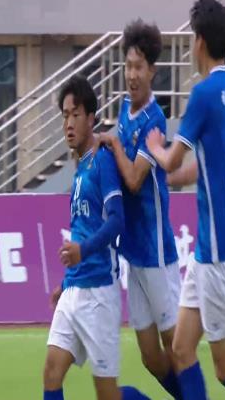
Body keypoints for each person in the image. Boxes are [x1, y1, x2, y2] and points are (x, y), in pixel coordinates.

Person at [146, 0, 225, 400]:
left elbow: (171, 157)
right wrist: (176, 177)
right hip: (210, 249)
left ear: (199, 41)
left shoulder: (204, 93)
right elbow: (219, 163)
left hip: (219, 251)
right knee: (181, 351)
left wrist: (155, 147)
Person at [43, 75, 149, 400]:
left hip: (99, 294)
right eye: (65, 116)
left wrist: (83, 251)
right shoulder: (79, 171)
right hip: (75, 289)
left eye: (75, 114)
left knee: (108, 395)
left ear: (91, 119)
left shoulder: (103, 162)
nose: (68, 123)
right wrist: (65, 281)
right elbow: (82, 230)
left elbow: (116, 221)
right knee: (51, 374)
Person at [97, 18, 182, 399]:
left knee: (176, 350)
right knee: (150, 357)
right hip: (133, 252)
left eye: (138, 67)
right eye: (127, 66)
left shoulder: (154, 119)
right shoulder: (124, 111)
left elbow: (133, 179)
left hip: (156, 251)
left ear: (152, 71)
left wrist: (114, 145)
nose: (131, 74)